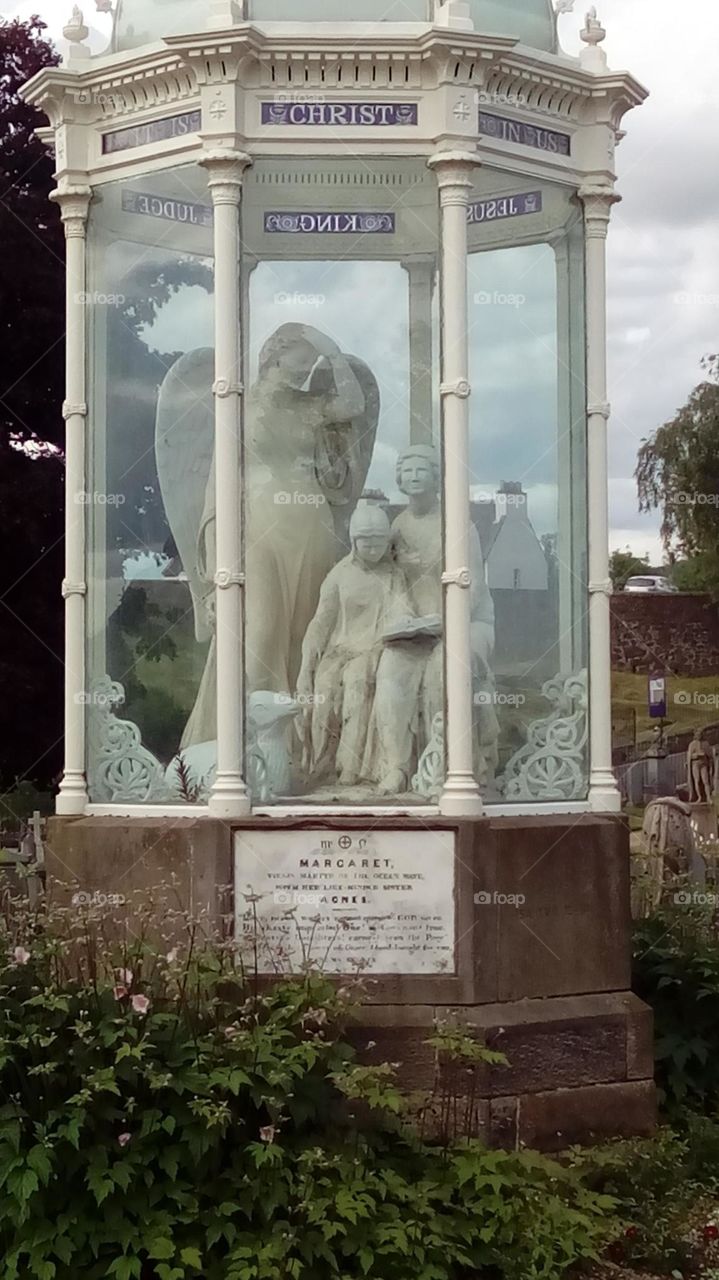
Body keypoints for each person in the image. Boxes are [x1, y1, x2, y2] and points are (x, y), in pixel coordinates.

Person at [296, 505, 415, 789]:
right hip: (339, 650)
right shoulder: (338, 576)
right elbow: (320, 623)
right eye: (366, 540)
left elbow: (403, 611)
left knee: (357, 684)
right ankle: (322, 765)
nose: (373, 547)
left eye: (379, 540)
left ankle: (351, 769)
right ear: (353, 541)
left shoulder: (393, 576)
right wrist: (306, 664)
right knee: (323, 688)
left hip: (373, 650)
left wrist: (406, 623)